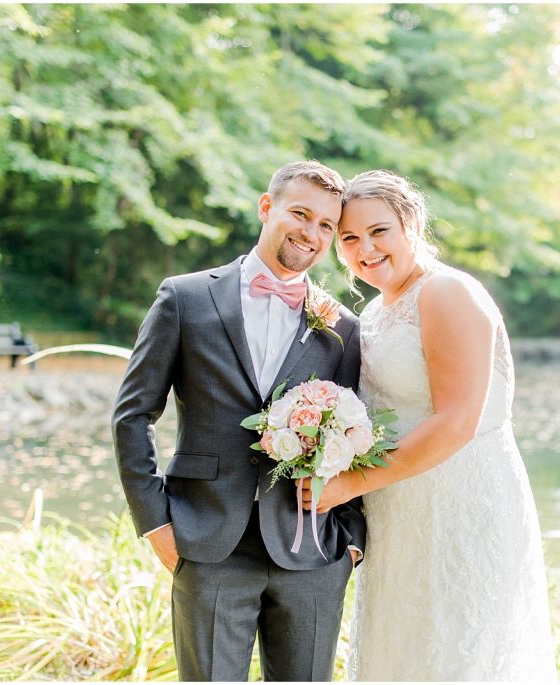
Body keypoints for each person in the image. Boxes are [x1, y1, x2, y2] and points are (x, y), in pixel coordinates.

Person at [112, 160, 365, 682]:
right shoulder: (184, 298)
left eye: (326, 226)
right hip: (206, 540)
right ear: (266, 207)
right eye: (300, 213)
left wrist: (352, 537)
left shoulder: (342, 325)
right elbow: (133, 414)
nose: (311, 233)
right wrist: (156, 522)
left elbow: (359, 432)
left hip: (311, 547)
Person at [303, 169, 557, 680]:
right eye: (349, 239)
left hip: (461, 499)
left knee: (458, 648)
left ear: (412, 224)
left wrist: (351, 483)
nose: (364, 249)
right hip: (401, 509)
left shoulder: (447, 293)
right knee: (403, 647)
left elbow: (456, 421)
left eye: (379, 231)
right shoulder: (373, 311)